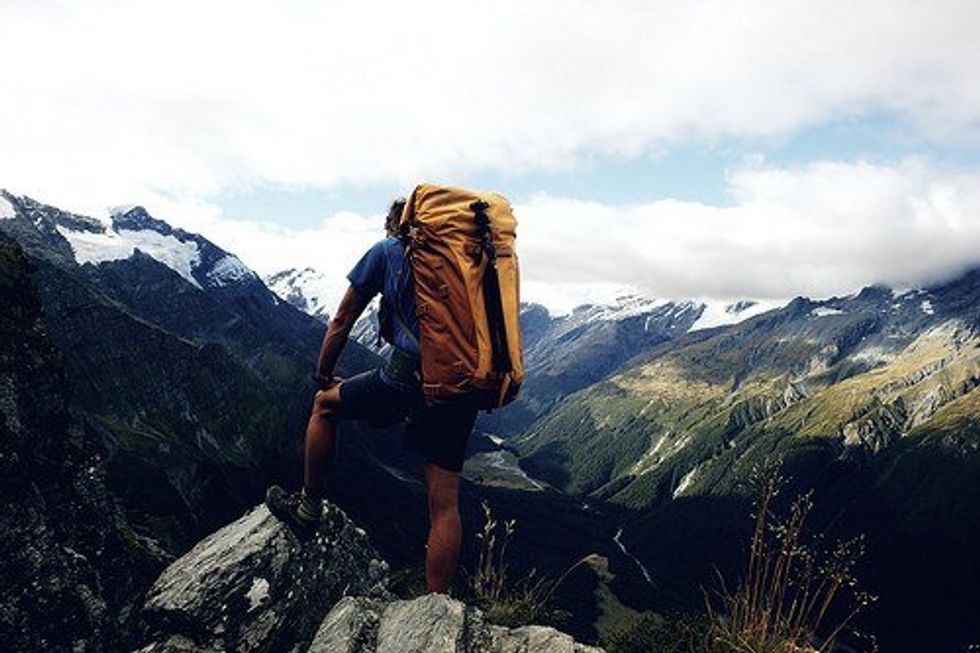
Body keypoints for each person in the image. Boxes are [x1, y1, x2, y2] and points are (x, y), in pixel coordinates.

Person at [266, 198, 479, 593]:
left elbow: (343, 318)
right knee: (444, 503)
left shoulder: (386, 252)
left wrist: (324, 372)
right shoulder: (467, 257)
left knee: (324, 406)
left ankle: (308, 509)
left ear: (395, 226)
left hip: (406, 375)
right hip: (460, 384)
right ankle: (437, 608)